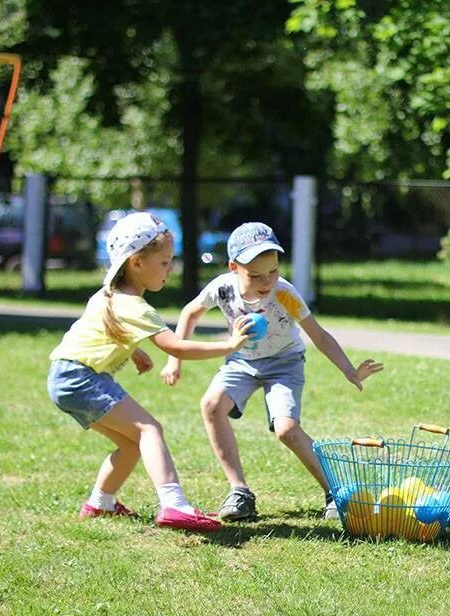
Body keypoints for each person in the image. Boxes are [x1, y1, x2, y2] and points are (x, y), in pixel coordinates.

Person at [160, 222, 384, 521]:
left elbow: (317, 334)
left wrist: (349, 371)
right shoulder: (223, 288)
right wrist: (175, 359)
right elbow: (190, 312)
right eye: (255, 275)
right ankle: (239, 492)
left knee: (287, 430)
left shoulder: (284, 293)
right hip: (240, 362)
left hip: (284, 363)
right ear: (233, 267)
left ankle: (336, 493)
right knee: (211, 405)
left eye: (273, 271)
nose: (267, 281)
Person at [47, 211, 253, 532]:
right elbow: (175, 346)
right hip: (83, 378)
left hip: (63, 377)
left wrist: (135, 351)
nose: (170, 269)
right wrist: (229, 345)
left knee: (131, 443)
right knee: (149, 429)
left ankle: (100, 504)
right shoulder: (137, 306)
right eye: (164, 262)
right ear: (136, 263)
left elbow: (100, 329)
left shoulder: (107, 295)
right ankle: (174, 504)